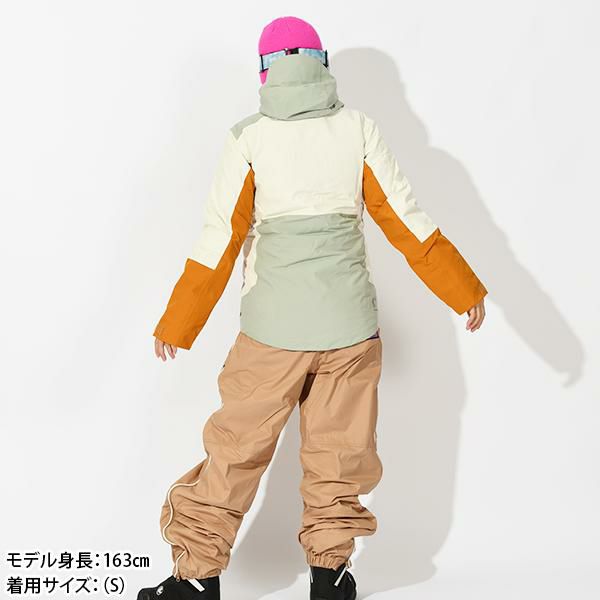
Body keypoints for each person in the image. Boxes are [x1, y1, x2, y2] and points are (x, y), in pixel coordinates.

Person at [138, 15, 487, 600]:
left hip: (271, 332)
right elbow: (406, 221)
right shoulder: (358, 129)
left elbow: (220, 240)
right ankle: (331, 577)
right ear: (323, 63)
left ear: (264, 72)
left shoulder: (249, 138)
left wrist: (179, 322)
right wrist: (463, 290)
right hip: (350, 331)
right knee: (339, 455)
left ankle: (195, 580)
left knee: (236, 451)